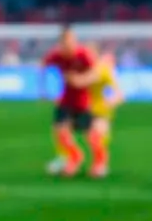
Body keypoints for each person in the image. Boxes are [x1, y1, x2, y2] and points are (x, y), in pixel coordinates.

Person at [42, 26, 101, 177]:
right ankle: (75, 156)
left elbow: (95, 74)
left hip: (82, 101)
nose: (69, 44)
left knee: (90, 134)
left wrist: (81, 80)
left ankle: (99, 162)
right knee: (60, 129)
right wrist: (44, 90)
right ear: (61, 43)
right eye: (65, 42)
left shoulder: (83, 54)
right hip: (65, 100)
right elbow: (43, 66)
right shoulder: (56, 55)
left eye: (71, 40)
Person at [84, 53, 121, 178]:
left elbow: (119, 93)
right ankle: (98, 164)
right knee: (92, 138)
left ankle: (101, 165)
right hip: (88, 109)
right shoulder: (87, 69)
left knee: (96, 137)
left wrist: (111, 102)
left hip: (102, 110)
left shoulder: (105, 72)